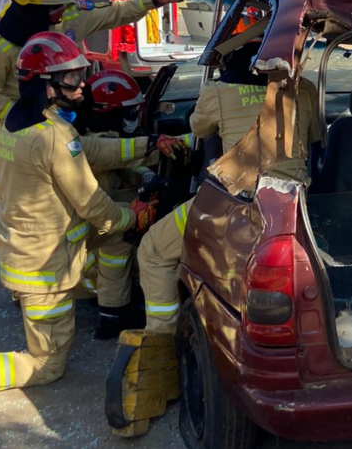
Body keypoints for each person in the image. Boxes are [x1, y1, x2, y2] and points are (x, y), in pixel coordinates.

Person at [106, 44, 321, 435]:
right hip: (296, 203)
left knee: (154, 249)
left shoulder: (218, 92)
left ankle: (161, 343)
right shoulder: (302, 87)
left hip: (237, 205)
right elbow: (315, 139)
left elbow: (199, 128)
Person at [0, 33, 157, 399]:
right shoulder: (53, 135)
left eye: (82, 72)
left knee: (113, 240)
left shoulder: (19, 118)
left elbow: (83, 147)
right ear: (45, 83)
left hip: (24, 249)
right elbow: (91, 202)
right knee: (46, 365)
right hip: (46, 268)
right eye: (72, 77)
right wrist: (131, 217)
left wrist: (146, 147)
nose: (82, 83)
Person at [0, 0, 179, 123]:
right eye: (54, 8)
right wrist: (28, 118)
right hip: (28, 135)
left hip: (75, 117)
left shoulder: (70, 17)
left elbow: (116, 12)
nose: (62, 12)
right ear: (30, 8)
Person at [80, 70, 189, 339]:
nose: (134, 119)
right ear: (107, 112)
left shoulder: (93, 135)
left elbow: (124, 168)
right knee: (119, 242)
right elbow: (117, 153)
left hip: (92, 224)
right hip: (83, 241)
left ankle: (114, 308)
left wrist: (145, 177)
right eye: (129, 113)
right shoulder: (96, 142)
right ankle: (112, 315)